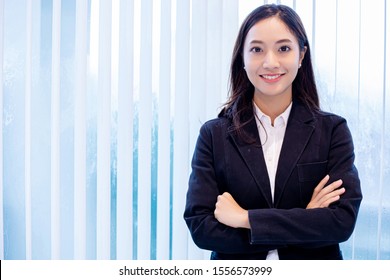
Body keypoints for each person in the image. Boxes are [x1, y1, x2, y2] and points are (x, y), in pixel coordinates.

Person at [183, 4, 362, 260]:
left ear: (301, 56)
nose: (270, 62)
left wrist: (244, 218)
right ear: (242, 58)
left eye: (283, 48)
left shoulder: (332, 131)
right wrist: (306, 219)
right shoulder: (214, 135)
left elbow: (341, 222)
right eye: (257, 49)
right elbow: (202, 227)